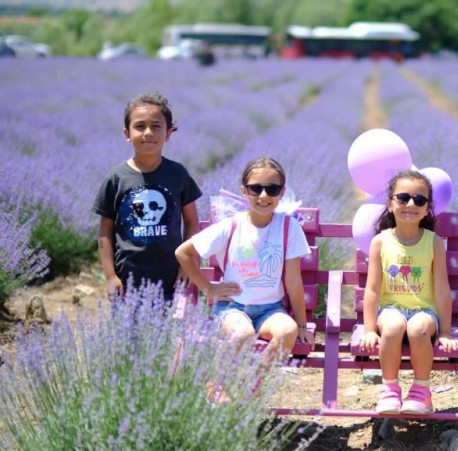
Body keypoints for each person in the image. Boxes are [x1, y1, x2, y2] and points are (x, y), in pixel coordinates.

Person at [175, 157, 312, 359]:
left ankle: (259, 378)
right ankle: (221, 378)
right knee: (242, 335)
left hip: (272, 309)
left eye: (272, 189)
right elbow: (183, 252)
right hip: (232, 308)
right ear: (244, 191)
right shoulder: (231, 226)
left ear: (282, 193)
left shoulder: (288, 227)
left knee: (287, 332)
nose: (263, 196)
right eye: (255, 189)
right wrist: (208, 289)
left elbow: (293, 281)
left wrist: (301, 325)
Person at [359, 170, 458, 415]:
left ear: (427, 209)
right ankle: (389, 389)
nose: (411, 204)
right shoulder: (380, 242)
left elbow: (442, 290)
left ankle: (421, 390)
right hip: (390, 309)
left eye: (419, 200)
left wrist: (445, 332)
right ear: (390, 204)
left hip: (424, 311)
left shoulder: (433, 242)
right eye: (403, 198)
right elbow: (372, 290)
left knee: (418, 328)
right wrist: (370, 329)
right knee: (393, 326)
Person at [93, 91, 201, 301]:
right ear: (127, 133)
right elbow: (105, 230)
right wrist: (110, 276)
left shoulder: (178, 174)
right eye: (140, 126)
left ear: (168, 133)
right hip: (127, 282)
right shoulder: (117, 178)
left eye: (156, 126)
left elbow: (191, 222)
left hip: (172, 281)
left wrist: (187, 266)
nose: (148, 132)